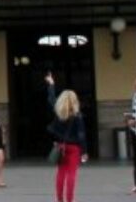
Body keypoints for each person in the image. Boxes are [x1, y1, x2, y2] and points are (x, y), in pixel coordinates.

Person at [46, 73, 88, 202]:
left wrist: (51, 84)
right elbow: (81, 135)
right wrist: (84, 151)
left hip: (60, 146)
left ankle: (60, 199)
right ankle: (70, 200)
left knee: (61, 173)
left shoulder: (59, 112)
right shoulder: (77, 115)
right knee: (71, 174)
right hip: (74, 148)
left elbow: (51, 99)